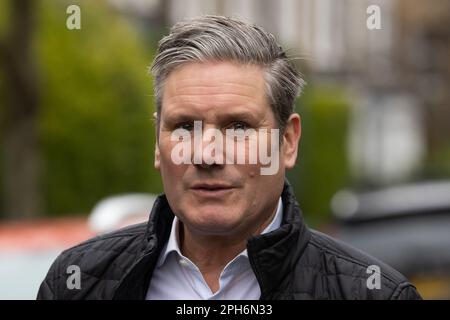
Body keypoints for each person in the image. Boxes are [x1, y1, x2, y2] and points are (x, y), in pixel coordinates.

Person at [37, 15, 421, 300]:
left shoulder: (375, 295)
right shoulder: (77, 283)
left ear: (287, 142)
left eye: (238, 128)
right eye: (184, 126)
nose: (207, 154)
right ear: (157, 141)